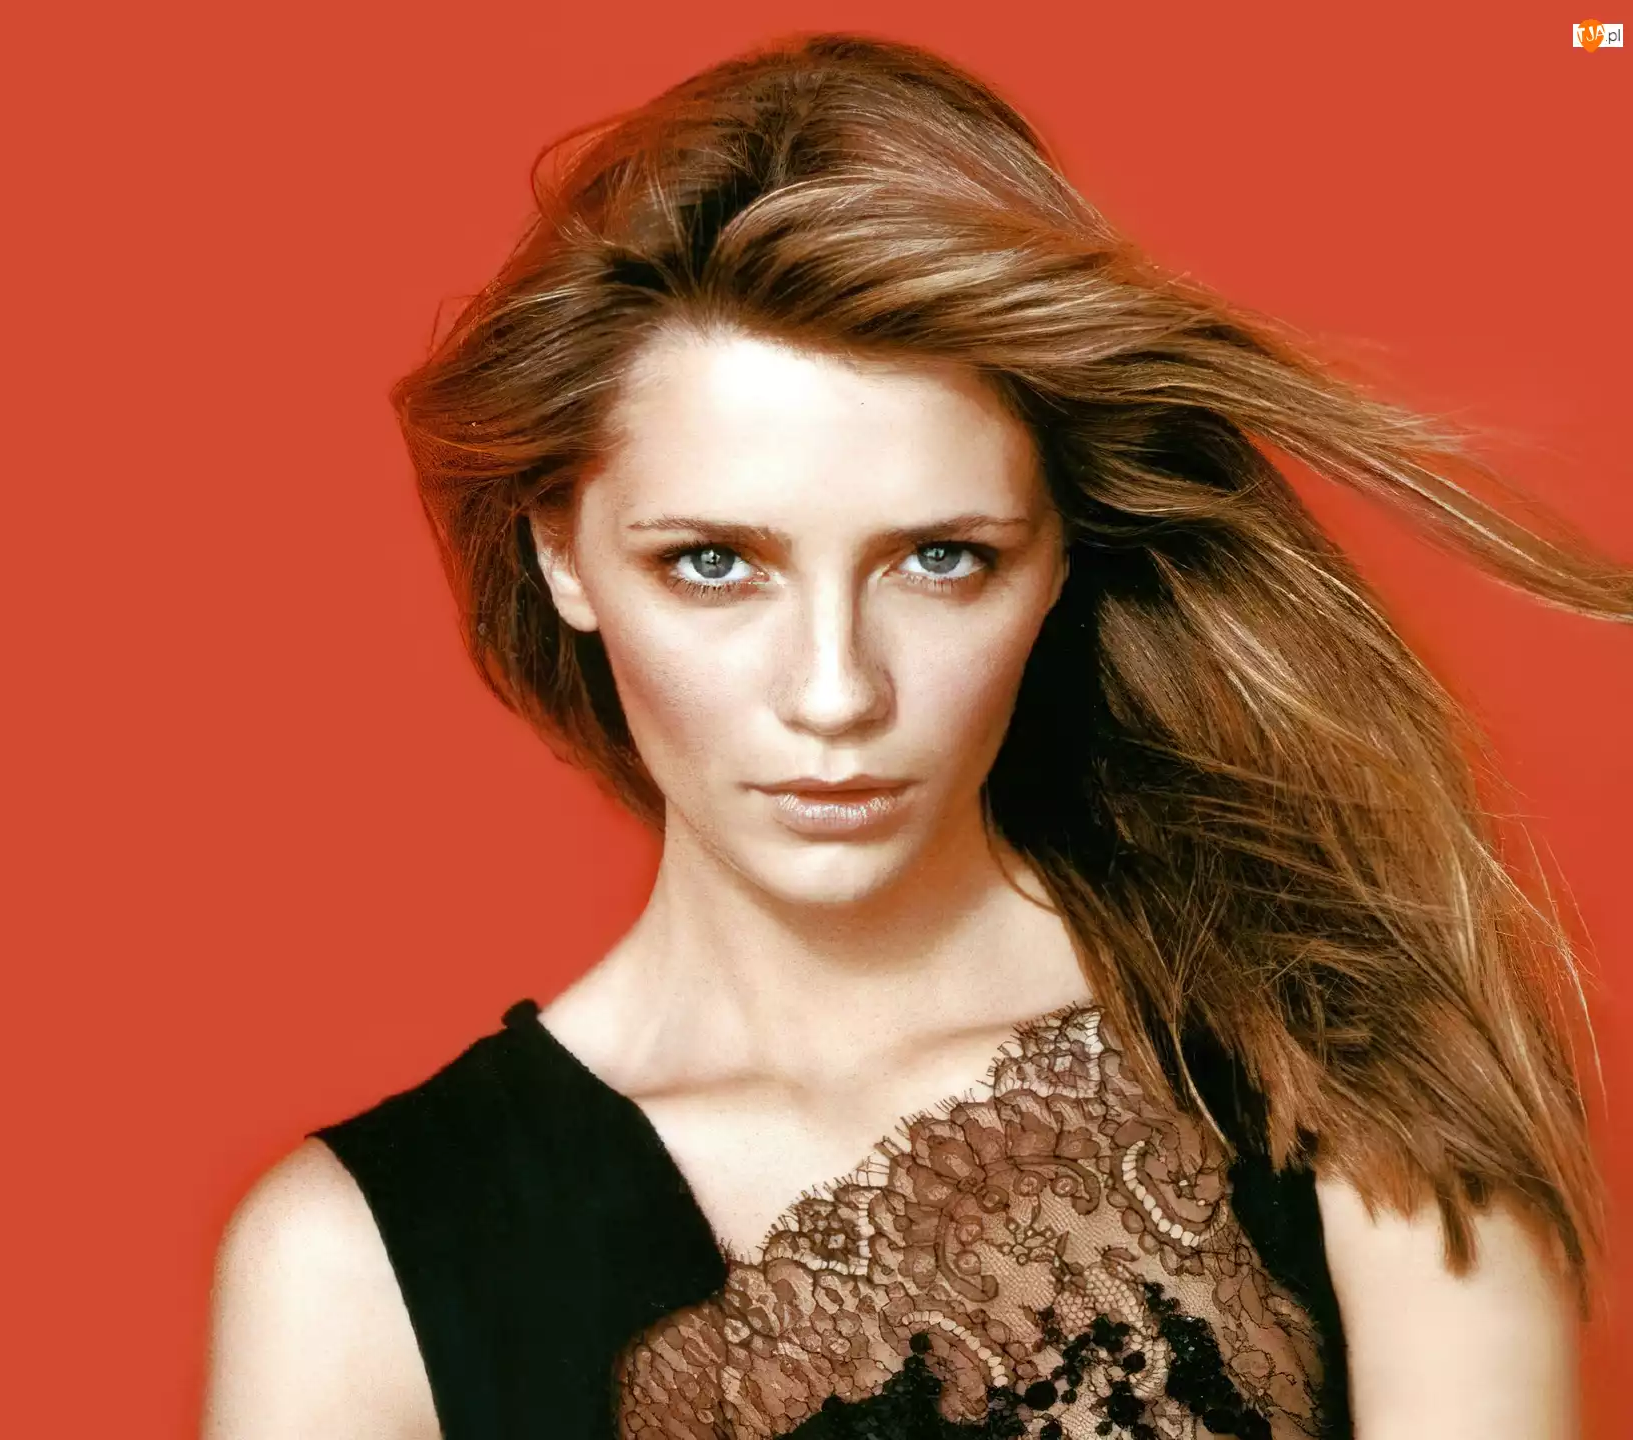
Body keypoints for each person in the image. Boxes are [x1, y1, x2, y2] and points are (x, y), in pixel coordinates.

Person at [200, 33, 1628, 1440]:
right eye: (713, 563)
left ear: (1058, 555)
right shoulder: (352, 1273)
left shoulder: (1353, 1107)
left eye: (941, 559)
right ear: (562, 554)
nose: (835, 693)